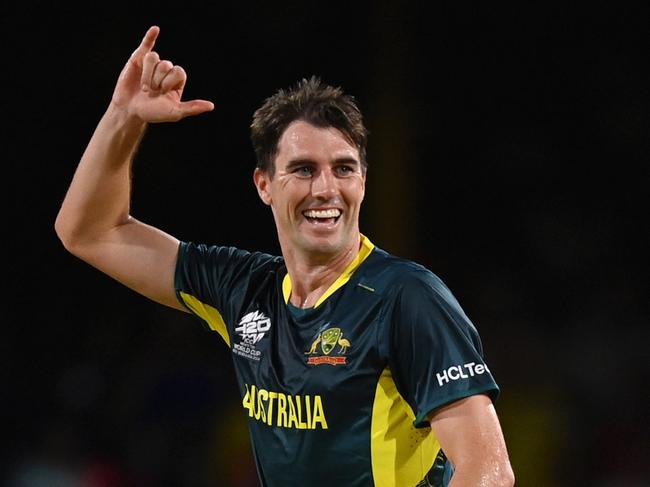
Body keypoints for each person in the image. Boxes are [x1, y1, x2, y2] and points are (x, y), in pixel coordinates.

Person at [55, 25, 515, 487]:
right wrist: (123, 116)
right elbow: (90, 230)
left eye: (343, 168)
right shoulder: (243, 290)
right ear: (264, 185)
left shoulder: (406, 298)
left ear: (363, 181)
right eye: (303, 170)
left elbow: (488, 473)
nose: (326, 189)